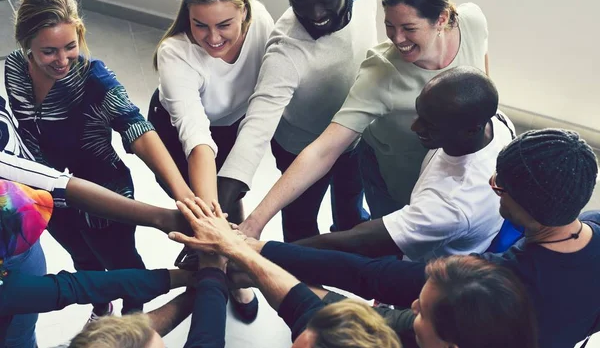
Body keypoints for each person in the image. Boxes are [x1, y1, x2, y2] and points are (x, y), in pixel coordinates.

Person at [243, 129, 599, 348]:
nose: (493, 187)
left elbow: (369, 276)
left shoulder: (489, 283)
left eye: (500, 185)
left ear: (529, 205)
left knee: (325, 319)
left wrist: (257, 251)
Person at [240, 0, 489, 239]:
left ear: (441, 19)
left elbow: (483, 86)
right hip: (397, 176)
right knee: (395, 248)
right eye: (390, 26)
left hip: (457, 163)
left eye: (409, 28)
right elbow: (325, 149)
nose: (397, 39)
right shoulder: (380, 74)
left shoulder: (472, 22)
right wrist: (255, 221)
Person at [3, 0, 194, 322]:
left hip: (106, 198)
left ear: (80, 35)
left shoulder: (94, 78)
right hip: (47, 197)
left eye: (70, 46)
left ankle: (133, 312)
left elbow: (138, 129)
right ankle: (100, 307)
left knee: (122, 261)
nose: (61, 60)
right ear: (26, 45)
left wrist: (184, 197)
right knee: (81, 256)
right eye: (48, 51)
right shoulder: (15, 68)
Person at [166, 197, 534, 348]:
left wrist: (214, 274)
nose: (412, 307)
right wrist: (244, 251)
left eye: (421, 310)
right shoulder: (450, 325)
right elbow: (318, 308)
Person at [217, 0, 377, 242]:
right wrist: (216, 214)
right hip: (300, 148)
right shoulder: (285, 51)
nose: (314, 14)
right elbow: (255, 129)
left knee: (351, 207)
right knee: (300, 222)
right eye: (300, 3)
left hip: (354, 136)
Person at [278, 66, 510, 262]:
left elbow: (360, 242)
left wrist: (265, 253)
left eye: (432, 124)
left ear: (471, 130)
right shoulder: (497, 122)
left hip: (429, 275)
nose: (415, 127)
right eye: (419, 112)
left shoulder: (452, 202)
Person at [147, 0, 274, 321]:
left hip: (231, 123)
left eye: (224, 25)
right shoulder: (175, 52)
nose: (213, 37)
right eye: (200, 24)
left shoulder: (262, 20)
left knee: (233, 197)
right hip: (179, 132)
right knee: (199, 206)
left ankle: (233, 271)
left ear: (245, 14)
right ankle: (216, 267)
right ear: (186, 15)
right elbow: (196, 137)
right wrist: (211, 228)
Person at [0, 179, 197, 347]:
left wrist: (183, 278)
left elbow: (80, 286)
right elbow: (76, 287)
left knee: (20, 335)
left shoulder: (9, 289)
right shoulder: (7, 291)